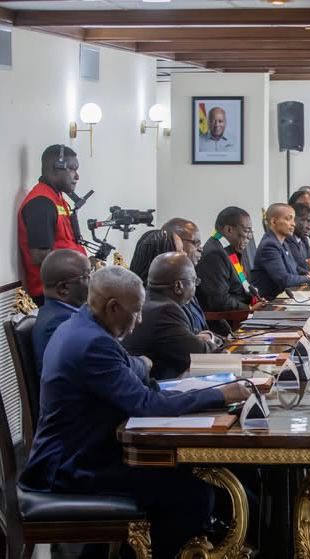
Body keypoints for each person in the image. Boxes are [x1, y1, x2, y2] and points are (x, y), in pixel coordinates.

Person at [19, 266, 250, 558]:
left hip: (85, 451)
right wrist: (219, 394)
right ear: (113, 307)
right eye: (136, 311)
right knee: (194, 495)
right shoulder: (93, 344)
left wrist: (140, 365)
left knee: (193, 479)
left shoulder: (83, 325)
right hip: (72, 466)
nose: (140, 319)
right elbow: (146, 404)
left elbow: (134, 367)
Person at [123, 252, 219, 380]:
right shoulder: (165, 311)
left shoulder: (147, 300)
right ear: (178, 286)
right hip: (156, 386)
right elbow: (203, 358)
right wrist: (210, 339)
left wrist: (194, 340)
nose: (195, 286)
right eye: (194, 281)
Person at [17, 144, 87, 304]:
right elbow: (41, 257)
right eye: (72, 169)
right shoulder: (41, 203)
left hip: (68, 289)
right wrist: (81, 266)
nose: (77, 176)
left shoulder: (57, 199)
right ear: (56, 167)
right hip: (55, 295)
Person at [32, 249, 90, 373]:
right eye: (86, 276)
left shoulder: (58, 311)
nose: (92, 281)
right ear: (63, 288)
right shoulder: (59, 323)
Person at [196, 206, 259, 314]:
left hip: (240, 312)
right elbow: (220, 301)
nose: (250, 237)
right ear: (229, 230)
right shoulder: (214, 254)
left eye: (251, 232)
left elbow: (238, 289)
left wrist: (255, 299)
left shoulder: (229, 249)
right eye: (246, 231)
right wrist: (249, 309)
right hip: (227, 320)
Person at [251, 203, 310, 300]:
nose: (293, 224)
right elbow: (284, 280)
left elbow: (294, 268)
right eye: (288, 219)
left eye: (293, 219)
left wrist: (307, 273)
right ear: (274, 222)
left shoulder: (283, 243)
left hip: (286, 297)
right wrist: (307, 278)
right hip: (271, 302)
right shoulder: (269, 245)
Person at [161, 218, 208, 333]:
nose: (201, 249)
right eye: (196, 243)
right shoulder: (166, 292)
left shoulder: (187, 282)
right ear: (175, 243)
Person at [287, 203, 310, 275]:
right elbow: (302, 267)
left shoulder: (303, 239)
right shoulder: (287, 240)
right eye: (306, 221)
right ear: (293, 220)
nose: (309, 227)